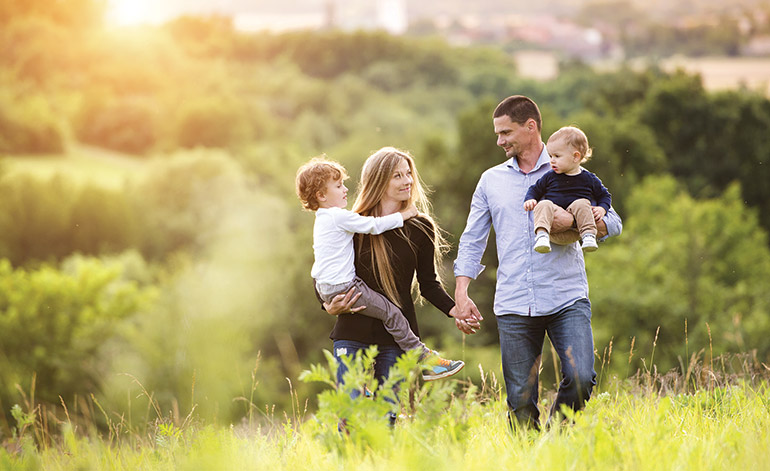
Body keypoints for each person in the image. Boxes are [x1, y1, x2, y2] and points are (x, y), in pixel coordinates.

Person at [453, 95, 622, 429]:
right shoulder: (491, 180)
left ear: (531, 127)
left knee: (581, 377)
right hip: (514, 301)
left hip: (566, 296)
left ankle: (553, 444)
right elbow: (473, 237)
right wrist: (461, 291)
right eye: (497, 134)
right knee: (519, 399)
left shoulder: (574, 170)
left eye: (506, 132)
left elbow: (614, 222)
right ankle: (530, 459)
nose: (499, 140)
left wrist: (575, 223)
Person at [296, 156, 464, 382]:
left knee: (388, 415)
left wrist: (455, 309)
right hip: (352, 334)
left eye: (408, 173)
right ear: (379, 181)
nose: (408, 181)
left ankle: (424, 358)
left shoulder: (420, 227)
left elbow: (428, 284)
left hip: (395, 340)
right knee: (352, 411)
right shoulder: (354, 223)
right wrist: (327, 305)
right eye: (398, 175)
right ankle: (424, 357)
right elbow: (325, 268)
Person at [523, 126, 612, 254]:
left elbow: (605, 195)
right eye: (550, 156)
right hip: (553, 230)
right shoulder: (550, 176)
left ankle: (589, 236)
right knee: (544, 204)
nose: (551, 161)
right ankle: (541, 236)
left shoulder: (589, 178)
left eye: (557, 156)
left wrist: (602, 208)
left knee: (582, 203)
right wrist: (530, 199)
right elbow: (535, 189)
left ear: (575, 157)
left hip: (576, 232)